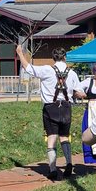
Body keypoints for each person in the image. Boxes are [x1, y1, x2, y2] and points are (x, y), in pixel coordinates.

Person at [16, 43, 85, 180]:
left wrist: (20, 53)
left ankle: (53, 168)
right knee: (64, 136)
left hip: (50, 107)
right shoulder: (72, 73)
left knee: (52, 137)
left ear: (53, 58)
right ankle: (69, 162)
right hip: (66, 107)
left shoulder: (47, 70)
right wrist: (75, 95)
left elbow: (28, 68)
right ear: (65, 57)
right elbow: (79, 93)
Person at [79, 61, 96, 167]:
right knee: (91, 131)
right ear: (93, 72)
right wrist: (82, 94)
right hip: (92, 111)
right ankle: (94, 159)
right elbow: (76, 89)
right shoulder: (88, 82)